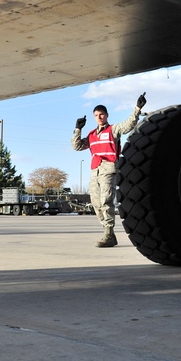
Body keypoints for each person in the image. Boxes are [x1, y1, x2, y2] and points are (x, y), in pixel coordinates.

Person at [72, 94, 146, 247]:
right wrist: (78, 129)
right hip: (95, 171)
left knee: (106, 201)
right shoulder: (92, 135)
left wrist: (137, 108)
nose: (99, 117)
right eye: (96, 115)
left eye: (102, 115)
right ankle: (109, 233)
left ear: (107, 115)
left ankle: (108, 234)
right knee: (96, 203)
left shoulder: (113, 130)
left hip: (109, 169)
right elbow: (77, 146)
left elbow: (129, 124)